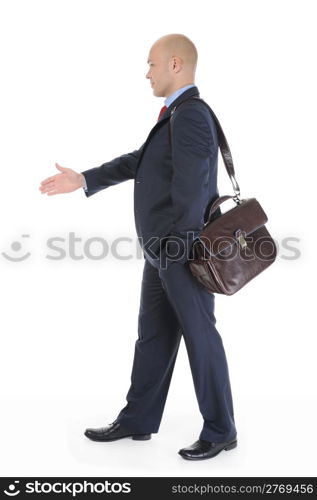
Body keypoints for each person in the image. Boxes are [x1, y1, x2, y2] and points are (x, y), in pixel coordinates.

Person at [39, 33, 237, 461]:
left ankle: (221, 430)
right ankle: (138, 420)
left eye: (151, 64)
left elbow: (193, 186)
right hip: (163, 252)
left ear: (176, 64)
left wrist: (178, 247)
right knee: (153, 336)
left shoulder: (191, 115)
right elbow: (140, 161)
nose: (146, 73)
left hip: (179, 252)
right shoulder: (175, 115)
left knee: (200, 336)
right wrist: (85, 179)